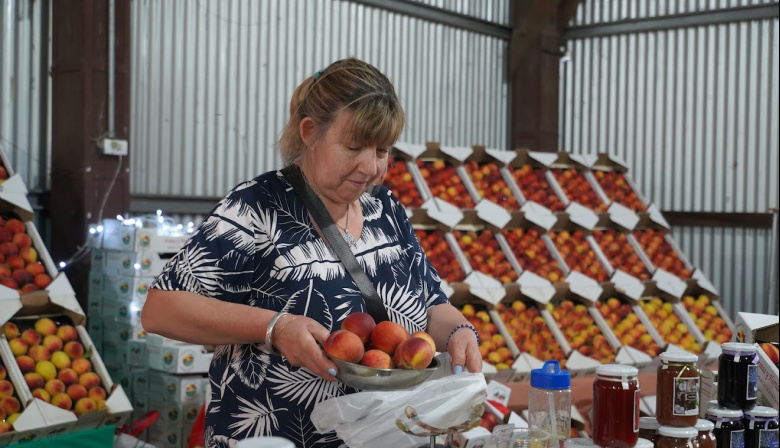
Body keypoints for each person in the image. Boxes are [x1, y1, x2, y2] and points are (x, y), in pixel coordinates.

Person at [141, 57, 482, 448]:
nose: (371, 167)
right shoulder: (258, 207)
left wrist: (459, 331)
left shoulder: (385, 209)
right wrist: (274, 327)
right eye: (354, 147)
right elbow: (160, 310)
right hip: (274, 438)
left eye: (383, 150)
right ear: (309, 132)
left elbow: (432, 303)